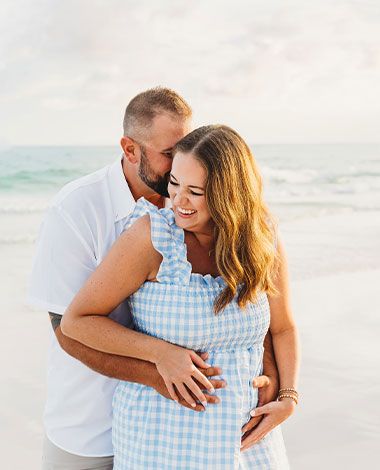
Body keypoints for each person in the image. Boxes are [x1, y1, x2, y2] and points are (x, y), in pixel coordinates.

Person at [28, 89, 278, 469]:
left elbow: (255, 311)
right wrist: (157, 370)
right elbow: (67, 328)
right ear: (130, 150)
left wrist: (273, 379)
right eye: (169, 152)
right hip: (91, 423)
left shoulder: (191, 203)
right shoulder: (76, 209)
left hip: (187, 427)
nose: (184, 159)